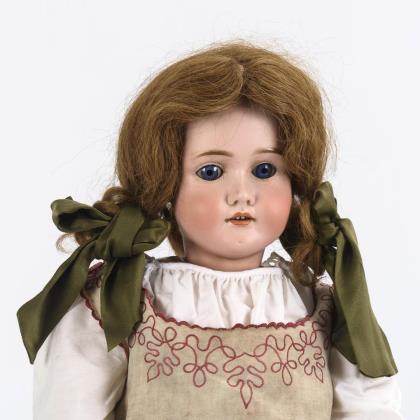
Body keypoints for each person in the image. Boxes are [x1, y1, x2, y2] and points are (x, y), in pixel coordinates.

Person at [17, 40, 403, 419]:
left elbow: (367, 408)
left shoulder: (322, 308)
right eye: (211, 172)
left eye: (264, 170)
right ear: (166, 185)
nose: (242, 193)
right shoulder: (121, 303)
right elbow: (70, 406)